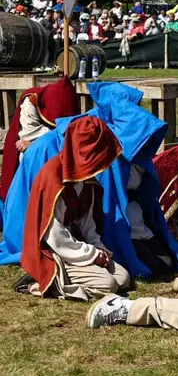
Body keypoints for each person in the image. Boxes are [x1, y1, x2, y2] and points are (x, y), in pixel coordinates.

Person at [0, 83, 178, 277]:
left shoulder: (106, 146)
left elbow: (93, 213)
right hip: (58, 226)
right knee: (151, 268)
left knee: (164, 264)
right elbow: (47, 215)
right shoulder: (50, 152)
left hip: (96, 223)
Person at [19, 116, 131, 300]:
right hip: (54, 252)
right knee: (108, 286)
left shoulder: (87, 181)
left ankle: (79, 276)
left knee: (123, 279)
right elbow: (54, 235)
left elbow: (87, 223)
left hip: (78, 248)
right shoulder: (52, 178)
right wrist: (91, 255)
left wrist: (97, 248)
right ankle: (45, 283)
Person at [0, 77, 80, 202]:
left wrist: (38, 142)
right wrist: (57, 136)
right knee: (29, 153)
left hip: (53, 151)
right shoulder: (31, 101)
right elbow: (27, 137)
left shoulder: (71, 101)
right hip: (25, 156)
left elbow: (72, 134)